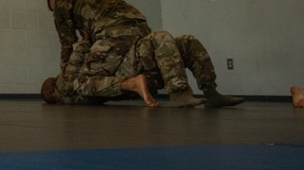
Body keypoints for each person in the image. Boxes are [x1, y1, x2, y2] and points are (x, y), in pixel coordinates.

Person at [41, 30, 244, 108]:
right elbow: (75, 60)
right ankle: (179, 92)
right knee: (158, 37)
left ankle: (210, 91)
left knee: (186, 42)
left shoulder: (73, 91)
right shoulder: (66, 84)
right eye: (50, 80)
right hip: (128, 74)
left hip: (141, 75)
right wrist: (85, 40)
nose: (53, 76)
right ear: (51, 91)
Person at [47, 0, 152, 76]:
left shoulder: (61, 1)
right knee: (133, 67)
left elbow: (68, 43)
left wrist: (64, 75)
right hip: (141, 26)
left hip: (115, 32)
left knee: (86, 78)